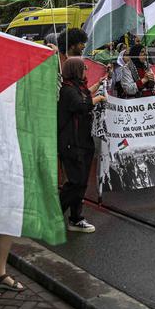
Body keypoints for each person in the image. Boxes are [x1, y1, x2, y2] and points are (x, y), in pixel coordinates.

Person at [58, 57, 106, 233]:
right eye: (83, 68)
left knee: (82, 183)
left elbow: (85, 94)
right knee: (76, 181)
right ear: (76, 70)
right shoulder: (67, 90)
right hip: (72, 143)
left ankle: (76, 218)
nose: (86, 70)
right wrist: (99, 98)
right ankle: (54, 214)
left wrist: (98, 85)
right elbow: (81, 105)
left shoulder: (77, 87)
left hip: (83, 142)